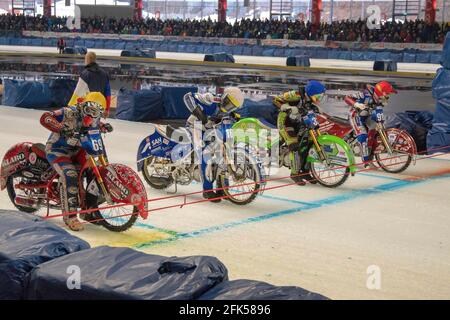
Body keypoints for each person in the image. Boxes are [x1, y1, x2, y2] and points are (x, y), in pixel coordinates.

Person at [40, 92, 113, 231]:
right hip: (57, 149)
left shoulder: (94, 117)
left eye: (97, 112)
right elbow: (45, 117)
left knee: (94, 168)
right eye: (90, 110)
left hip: (78, 149)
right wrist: (60, 127)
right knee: (70, 174)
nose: (93, 116)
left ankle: (90, 210)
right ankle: (70, 216)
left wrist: (102, 126)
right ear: (82, 105)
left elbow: (93, 124)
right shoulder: (68, 112)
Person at [183, 87, 245, 202]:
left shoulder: (229, 110)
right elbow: (187, 97)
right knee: (204, 154)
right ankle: (207, 191)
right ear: (224, 98)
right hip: (195, 126)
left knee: (222, 154)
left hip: (212, 129)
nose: (228, 108)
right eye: (228, 104)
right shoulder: (211, 98)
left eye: (232, 107)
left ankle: (223, 187)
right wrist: (200, 114)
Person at [274, 80, 326, 185]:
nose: (319, 99)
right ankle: (294, 173)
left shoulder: (309, 98)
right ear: (311, 93)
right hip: (285, 122)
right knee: (295, 146)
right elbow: (276, 100)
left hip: (298, 122)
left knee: (308, 145)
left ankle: (305, 171)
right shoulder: (295, 95)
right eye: (318, 97)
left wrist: (316, 108)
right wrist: (287, 107)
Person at [344, 81, 397, 164]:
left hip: (367, 115)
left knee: (375, 130)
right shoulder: (364, 94)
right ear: (381, 92)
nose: (388, 97)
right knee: (363, 135)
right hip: (356, 115)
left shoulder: (379, 100)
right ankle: (365, 160)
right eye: (387, 94)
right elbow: (347, 97)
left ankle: (370, 153)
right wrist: (356, 104)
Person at [69, 52, 112, 117]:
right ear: (95, 59)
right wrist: (107, 109)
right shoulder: (104, 74)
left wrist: (71, 107)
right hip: (99, 107)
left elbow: (77, 93)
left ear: (87, 59)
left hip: (87, 109)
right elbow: (108, 94)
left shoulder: (85, 74)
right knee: (95, 125)